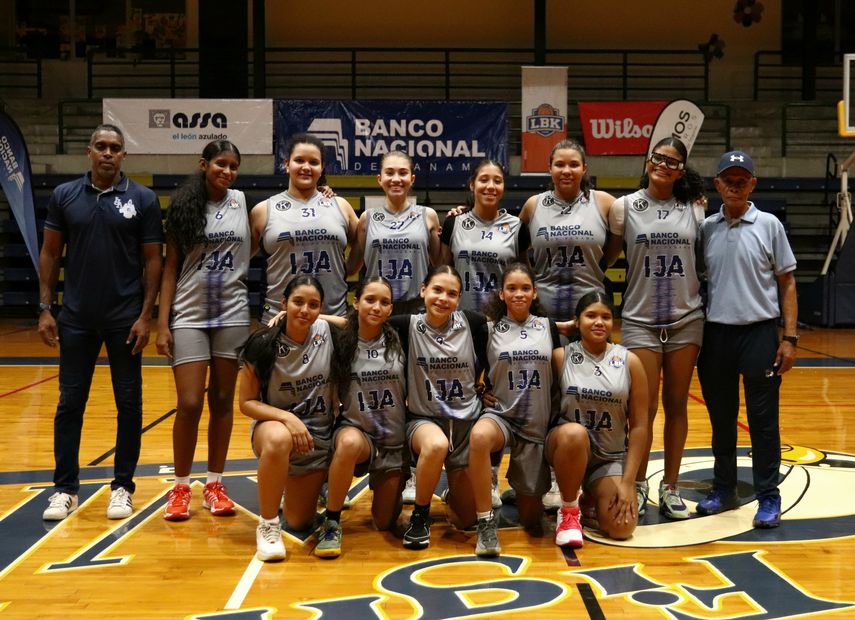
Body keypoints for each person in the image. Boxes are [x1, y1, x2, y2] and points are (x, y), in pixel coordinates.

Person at [38, 124, 163, 521]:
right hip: (76, 318)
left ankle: (123, 487)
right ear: (89, 152)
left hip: (125, 320)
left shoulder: (142, 199)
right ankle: (64, 489)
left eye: (115, 148)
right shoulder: (65, 195)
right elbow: (50, 253)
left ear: (124, 155)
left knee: (129, 404)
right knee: (69, 403)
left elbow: (153, 260)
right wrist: (45, 307)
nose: (108, 153)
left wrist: (146, 316)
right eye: (102, 146)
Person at [696, 150, 798, 529]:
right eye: (728, 179)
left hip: (759, 333)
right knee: (721, 419)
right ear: (717, 184)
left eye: (742, 179)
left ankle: (769, 495)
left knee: (763, 421)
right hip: (716, 335)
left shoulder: (770, 225)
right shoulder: (706, 229)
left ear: (752, 184)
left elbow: (787, 283)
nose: (735, 185)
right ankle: (724, 488)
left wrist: (789, 338)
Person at [608, 137, 706, 520]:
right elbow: (606, 256)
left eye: (672, 161)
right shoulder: (625, 207)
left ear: (681, 171)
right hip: (640, 320)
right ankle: (638, 481)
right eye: (659, 157)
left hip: (685, 320)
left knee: (677, 404)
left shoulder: (695, 208)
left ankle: (671, 485)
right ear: (649, 161)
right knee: (643, 410)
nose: (663, 164)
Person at [156, 140, 252, 521]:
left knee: (223, 401)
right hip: (190, 313)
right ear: (204, 165)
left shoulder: (243, 202)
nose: (227, 171)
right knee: (191, 402)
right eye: (220, 164)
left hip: (232, 313)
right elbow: (170, 269)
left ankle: (215, 484)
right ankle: (180, 487)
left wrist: (324, 190)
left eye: (233, 166)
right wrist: (162, 324)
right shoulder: (183, 207)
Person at [387, 266, 487, 549]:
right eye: (437, 290)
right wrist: (305, 317)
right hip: (425, 420)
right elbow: (360, 321)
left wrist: (488, 385)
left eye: (451, 294)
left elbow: (509, 338)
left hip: (465, 422)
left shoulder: (473, 322)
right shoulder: (406, 324)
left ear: (459, 299)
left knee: (465, 519)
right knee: (435, 445)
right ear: (423, 291)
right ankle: (420, 515)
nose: (443, 298)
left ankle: (451, 492)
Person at [238, 276, 335, 561]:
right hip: (274, 429)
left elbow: (354, 322)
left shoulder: (326, 331)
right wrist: (287, 419)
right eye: (298, 302)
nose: (305, 310)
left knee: (299, 521)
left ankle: (286, 485)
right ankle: (268, 525)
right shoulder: (263, 342)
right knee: (280, 438)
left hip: (316, 439)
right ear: (283, 303)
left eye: (313, 305)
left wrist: (319, 317)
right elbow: (246, 403)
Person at [468, 263, 562, 556]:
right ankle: (485, 523)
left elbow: (559, 376)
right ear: (501, 294)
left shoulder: (548, 327)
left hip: (535, 424)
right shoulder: (488, 329)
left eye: (525, 288)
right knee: (479, 437)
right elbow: (470, 370)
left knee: (532, 521)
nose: (518, 294)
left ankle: (519, 488)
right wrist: (479, 392)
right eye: (511, 288)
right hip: (502, 416)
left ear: (535, 292)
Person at [315, 277, 408, 558]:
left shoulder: (401, 337)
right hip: (358, 431)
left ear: (391, 309)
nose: (377, 307)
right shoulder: (342, 340)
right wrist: (289, 315)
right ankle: (332, 520)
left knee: (383, 523)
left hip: (392, 442)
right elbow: (317, 321)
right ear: (356, 303)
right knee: (348, 444)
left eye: (384, 302)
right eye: (370, 300)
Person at [547, 291, 648, 546]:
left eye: (606, 317)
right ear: (577, 321)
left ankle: (590, 497)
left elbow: (639, 427)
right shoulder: (560, 357)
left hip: (608, 458)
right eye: (591, 315)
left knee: (622, 527)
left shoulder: (630, 362)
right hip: (567, 448)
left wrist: (629, 483)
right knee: (574, 433)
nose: (599, 322)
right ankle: (569, 511)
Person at [251, 133, 359, 320]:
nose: (306, 167)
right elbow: (241, 257)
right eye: (299, 160)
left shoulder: (340, 205)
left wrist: (349, 268)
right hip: (279, 318)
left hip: (334, 317)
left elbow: (363, 241)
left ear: (322, 168)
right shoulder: (262, 210)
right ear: (287, 164)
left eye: (314, 162)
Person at [521, 139, 621, 321]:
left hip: (591, 314)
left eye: (574, 165)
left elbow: (623, 237)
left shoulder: (604, 202)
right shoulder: (533, 205)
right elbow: (515, 245)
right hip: (543, 314)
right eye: (559, 164)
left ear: (584, 169)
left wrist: (604, 262)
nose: (566, 171)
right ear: (550, 168)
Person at [346, 151, 441, 315]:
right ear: (379, 179)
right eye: (389, 173)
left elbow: (441, 264)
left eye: (403, 173)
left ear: (412, 179)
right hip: (377, 307)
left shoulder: (428, 216)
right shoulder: (367, 218)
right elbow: (351, 268)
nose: (396, 179)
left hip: (417, 307)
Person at [440, 159, 530, 312]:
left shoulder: (517, 227)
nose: (491, 186)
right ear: (472, 185)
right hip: (461, 317)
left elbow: (525, 276)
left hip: (501, 318)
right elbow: (442, 273)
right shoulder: (454, 223)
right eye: (483, 180)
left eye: (497, 181)